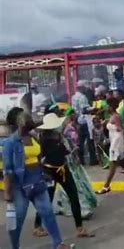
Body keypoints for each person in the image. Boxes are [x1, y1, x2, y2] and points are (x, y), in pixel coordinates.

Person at [2, 107, 71, 249]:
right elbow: (8, 169)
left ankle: (58, 244)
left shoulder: (33, 137)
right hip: (19, 185)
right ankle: (15, 246)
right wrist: (7, 191)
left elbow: (39, 156)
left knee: (48, 213)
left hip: (37, 180)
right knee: (18, 220)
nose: (30, 123)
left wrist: (43, 170)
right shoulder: (11, 143)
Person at [33, 113, 94, 238]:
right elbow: (41, 157)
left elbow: (64, 152)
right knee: (47, 201)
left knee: (74, 196)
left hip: (63, 170)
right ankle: (37, 226)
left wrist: (72, 153)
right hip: (50, 172)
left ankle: (79, 228)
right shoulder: (43, 140)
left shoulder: (58, 136)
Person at [57, 107, 98, 219]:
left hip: (68, 160)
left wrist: (75, 155)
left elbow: (70, 144)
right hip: (64, 161)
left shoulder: (63, 127)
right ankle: (82, 209)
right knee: (73, 184)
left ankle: (69, 206)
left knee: (72, 184)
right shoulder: (63, 128)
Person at [72, 82, 97, 166]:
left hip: (79, 120)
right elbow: (84, 110)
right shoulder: (82, 97)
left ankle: (81, 161)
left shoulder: (74, 97)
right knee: (90, 140)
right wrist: (93, 109)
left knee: (81, 142)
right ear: (81, 87)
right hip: (85, 121)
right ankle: (93, 160)